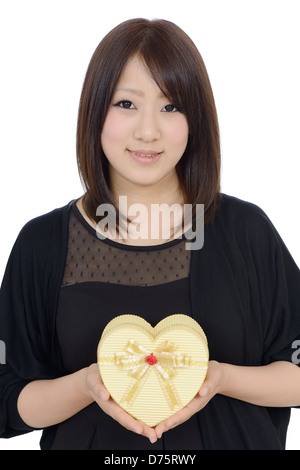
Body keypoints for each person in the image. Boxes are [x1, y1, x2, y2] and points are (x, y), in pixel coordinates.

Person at [1, 18, 300, 451]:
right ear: (94, 109)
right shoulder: (44, 243)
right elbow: (7, 398)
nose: (148, 130)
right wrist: (87, 385)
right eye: (126, 104)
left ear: (194, 119)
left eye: (171, 106)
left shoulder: (243, 230)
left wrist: (219, 378)